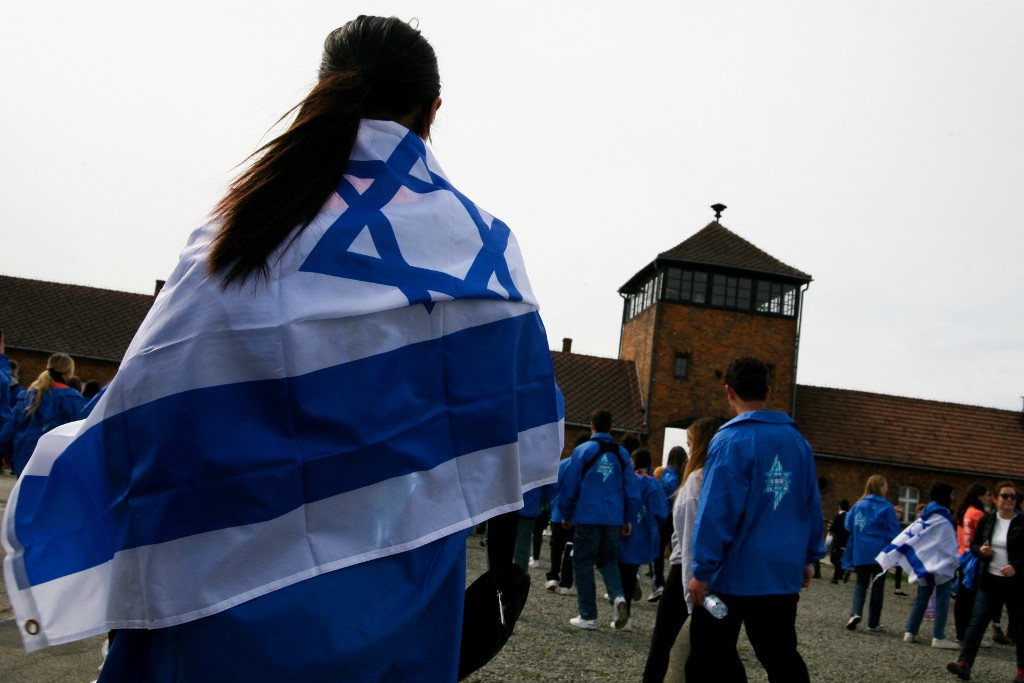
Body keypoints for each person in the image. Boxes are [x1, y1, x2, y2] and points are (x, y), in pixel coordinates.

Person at [3, 16, 562, 683]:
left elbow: (149, 407)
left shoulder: (242, 229)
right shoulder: (488, 257)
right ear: (433, 108)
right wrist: (504, 566)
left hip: (226, 595)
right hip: (402, 591)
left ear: (325, 89)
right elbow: (513, 432)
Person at [685, 357, 824, 683]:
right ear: (769, 391)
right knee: (779, 654)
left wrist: (702, 570)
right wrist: (808, 557)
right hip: (779, 575)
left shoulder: (730, 440)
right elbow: (810, 505)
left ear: (728, 391)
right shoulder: (799, 443)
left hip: (729, 580)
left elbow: (717, 510)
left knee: (707, 653)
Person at [642, 416, 721, 683]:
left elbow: (688, 542)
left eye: (690, 444)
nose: (688, 450)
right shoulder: (717, 479)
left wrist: (691, 588)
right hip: (705, 571)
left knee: (664, 644)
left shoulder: (696, 481)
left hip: (686, 574)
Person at [557, 409, 641, 631]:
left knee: (583, 562)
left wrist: (566, 513)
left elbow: (570, 486)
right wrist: (628, 518)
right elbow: (631, 490)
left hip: (588, 516)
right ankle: (618, 597)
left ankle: (588, 615)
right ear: (611, 427)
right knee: (608, 561)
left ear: (591, 425)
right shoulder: (622, 454)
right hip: (613, 518)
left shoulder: (582, 451)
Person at [947, 481, 1024, 682]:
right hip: (989, 579)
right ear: (996, 499)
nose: (1009, 500)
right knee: (978, 621)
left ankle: (1022, 672)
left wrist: (1016, 565)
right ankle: (964, 663)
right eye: (1005, 496)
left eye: (1012, 497)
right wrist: (981, 551)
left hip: (1015, 582)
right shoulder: (988, 519)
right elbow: (973, 543)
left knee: (1019, 627)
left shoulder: (1022, 522)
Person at [875, 483, 959, 649]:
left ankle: (910, 632)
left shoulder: (928, 513)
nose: (954, 497)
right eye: (952, 494)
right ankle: (938, 636)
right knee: (942, 599)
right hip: (940, 563)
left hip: (925, 562)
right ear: (946, 496)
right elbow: (947, 542)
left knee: (922, 597)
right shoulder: (943, 516)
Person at [616, 448, 668, 630]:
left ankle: (622, 611)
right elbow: (662, 513)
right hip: (644, 537)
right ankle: (627, 616)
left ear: (635, 462)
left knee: (619, 573)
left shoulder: (629, 481)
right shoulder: (655, 485)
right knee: (630, 573)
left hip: (624, 533)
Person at [9, 352, 85, 476]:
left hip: (26, 455)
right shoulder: (73, 398)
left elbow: (12, 424)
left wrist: (7, 452)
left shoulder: (27, 396)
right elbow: (79, 429)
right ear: (68, 373)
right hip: (57, 456)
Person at [844, 474, 901, 632]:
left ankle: (855, 613)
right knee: (877, 587)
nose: (887, 489)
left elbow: (848, 525)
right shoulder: (887, 507)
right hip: (879, 552)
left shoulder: (858, 505)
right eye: (885, 486)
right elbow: (893, 531)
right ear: (879, 487)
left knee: (861, 583)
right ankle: (873, 622)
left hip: (860, 551)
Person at [954, 483, 993, 642]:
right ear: (979, 496)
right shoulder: (978, 514)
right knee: (972, 600)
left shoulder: (965, 511)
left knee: (962, 598)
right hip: (975, 559)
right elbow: (984, 538)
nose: (989, 498)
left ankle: (961, 633)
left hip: (963, 556)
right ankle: (971, 635)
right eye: (987, 495)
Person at [649, 445, 685, 602]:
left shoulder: (668, 472)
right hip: (679, 516)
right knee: (678, 551)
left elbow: (669, 486)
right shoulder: (685, 473)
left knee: (657, 549)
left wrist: (664, 497)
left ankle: (659, 584)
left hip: (667, 515)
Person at [828, 499, 851, 584]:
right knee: (840, 558)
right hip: (846, 540)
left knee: (834, 559)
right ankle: (841, 572)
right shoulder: (849, 516)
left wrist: (830, 526)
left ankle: (837, 576)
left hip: (838, 540)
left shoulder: (839, 516)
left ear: (839, 506)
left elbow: (834, 528)